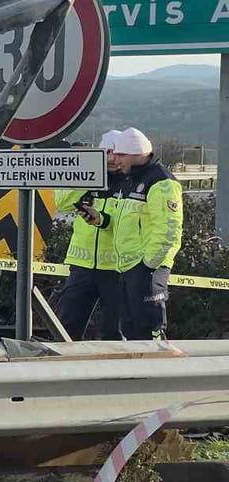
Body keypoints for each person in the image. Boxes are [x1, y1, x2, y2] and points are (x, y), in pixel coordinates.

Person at [110, 127, 183, 340]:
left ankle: (155, 372)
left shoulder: (161, 181)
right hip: (128, 268)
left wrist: (148, 266)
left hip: (146, 269)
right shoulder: (131, 178)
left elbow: (168, 230)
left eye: (121, 154)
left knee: (149, 332)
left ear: (137, 153)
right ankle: (137, 372)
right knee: (131, 331)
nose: (116, 159)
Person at [53, 131, 127, 340]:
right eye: (108, 152)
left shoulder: (130, 181)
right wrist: (88, 176)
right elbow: (62, 202)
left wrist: (103, 220)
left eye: (118, 153)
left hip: (116, 267)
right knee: (67, 329)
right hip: (82, 265)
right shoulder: (89, 175)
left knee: (115, 331)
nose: (112, 158)